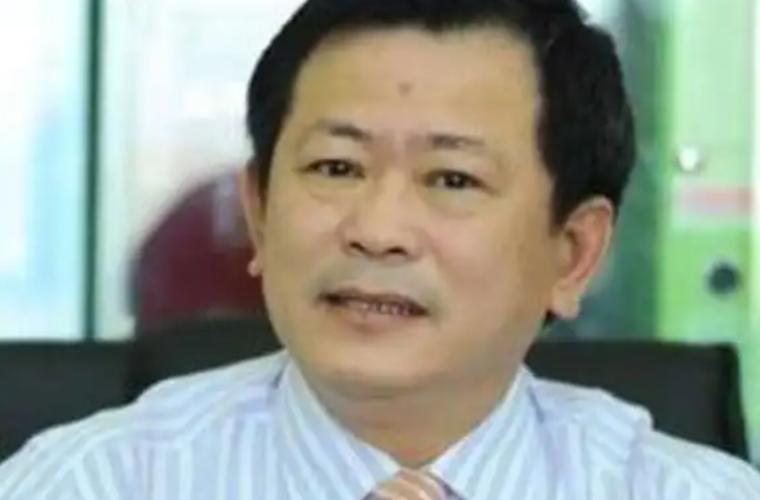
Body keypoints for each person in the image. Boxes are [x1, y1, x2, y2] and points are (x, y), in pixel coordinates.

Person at [2, 0, 759, 498]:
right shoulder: (90, 483)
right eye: (337, 168)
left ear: (573, 253)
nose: (377, 228)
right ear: (259, 212)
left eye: (452, 178)